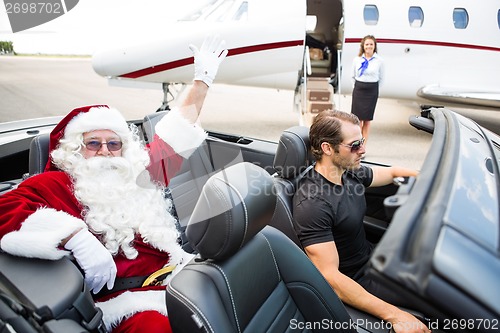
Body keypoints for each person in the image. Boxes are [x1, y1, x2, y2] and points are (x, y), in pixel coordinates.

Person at [0, 35, 228, 333]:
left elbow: (177, 132)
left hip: (177, 279)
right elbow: (5, 208)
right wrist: (73, 237)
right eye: (93, 143)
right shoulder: (56, 183)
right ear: (74, 150)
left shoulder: (138, 171)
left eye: (114, 143)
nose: (106, 151)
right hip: (127, 303)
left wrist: (202, 81)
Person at [293, 110, 430, 333]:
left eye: (362, 141)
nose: (363, 150)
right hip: (358, 279)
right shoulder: (313, 203)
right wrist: (395, 316)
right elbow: (331, 277)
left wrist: (431, 179)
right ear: (328, 148)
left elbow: (392, 173)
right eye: (355, 145)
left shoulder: (348, 171)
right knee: (439, 298)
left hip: (375, 258)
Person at [351, 35, 384, 146]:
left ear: (374, 46)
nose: (369, 46)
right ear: (363, 46)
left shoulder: (379, 61)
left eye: (371, 44)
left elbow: (382, 78)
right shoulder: (357, 60)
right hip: (359, 90)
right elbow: (353, 76)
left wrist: (375, 90)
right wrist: (356, 87)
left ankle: (363, 146)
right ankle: (357, 144)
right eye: (367, 44)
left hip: (371, 91)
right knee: (357, 121)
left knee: (367, 121)